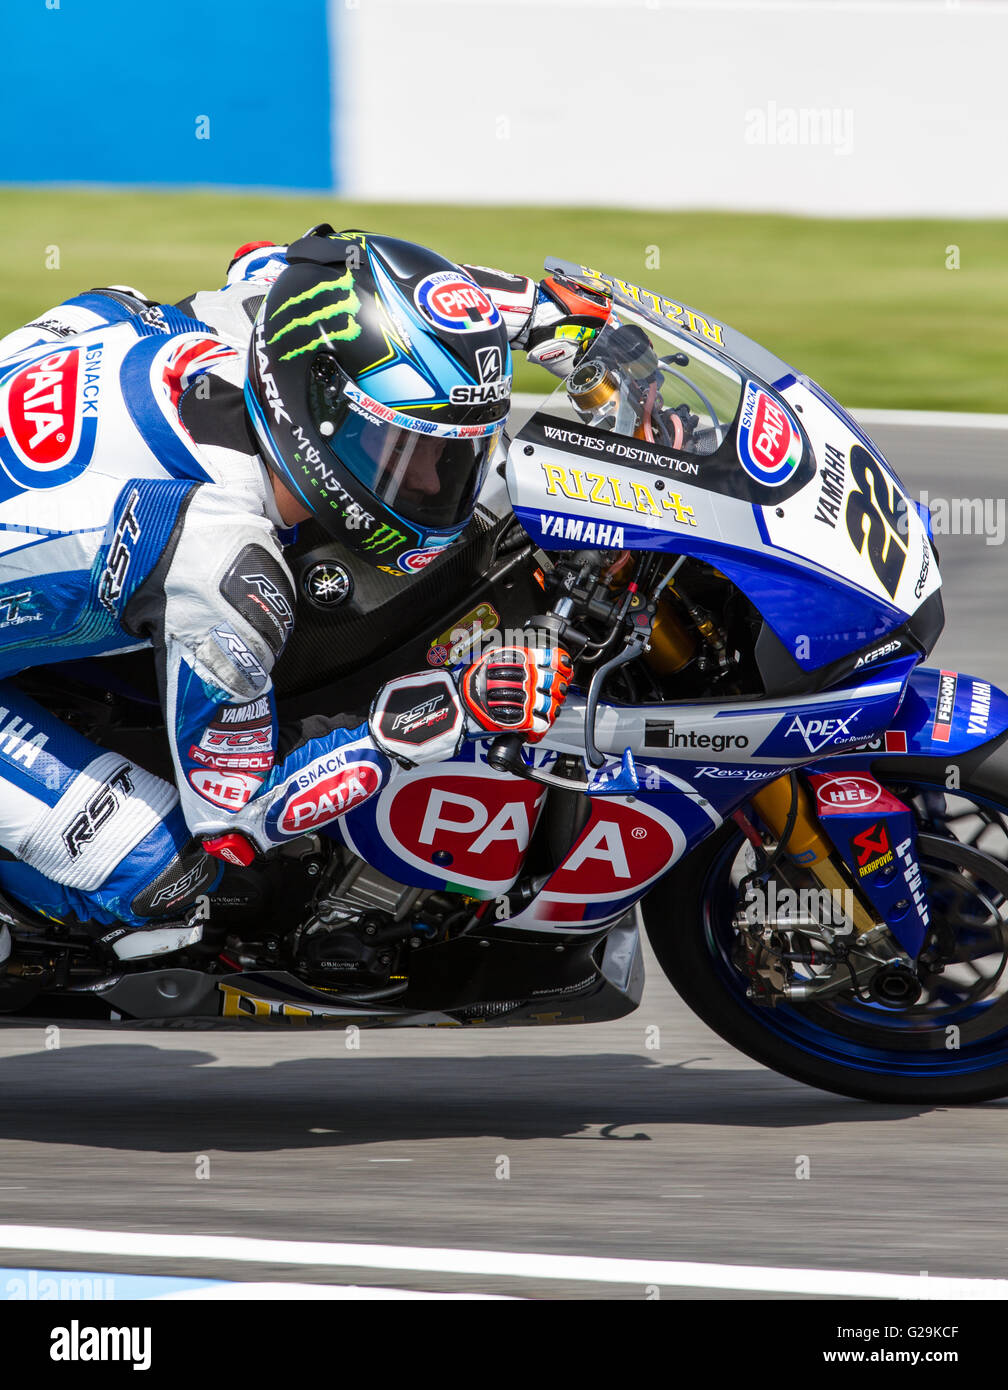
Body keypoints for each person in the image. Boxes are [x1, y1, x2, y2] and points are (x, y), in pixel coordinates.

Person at [0, 226, 609, 961]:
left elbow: (309, 266)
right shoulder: (219, 560)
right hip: (126, 548)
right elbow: (239, 818)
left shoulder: (253, 323)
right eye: (410, 453)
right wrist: (453, 706)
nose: (436, 484)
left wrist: (539, 308)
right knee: (166, 879)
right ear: (320, 413)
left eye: (458, 454)